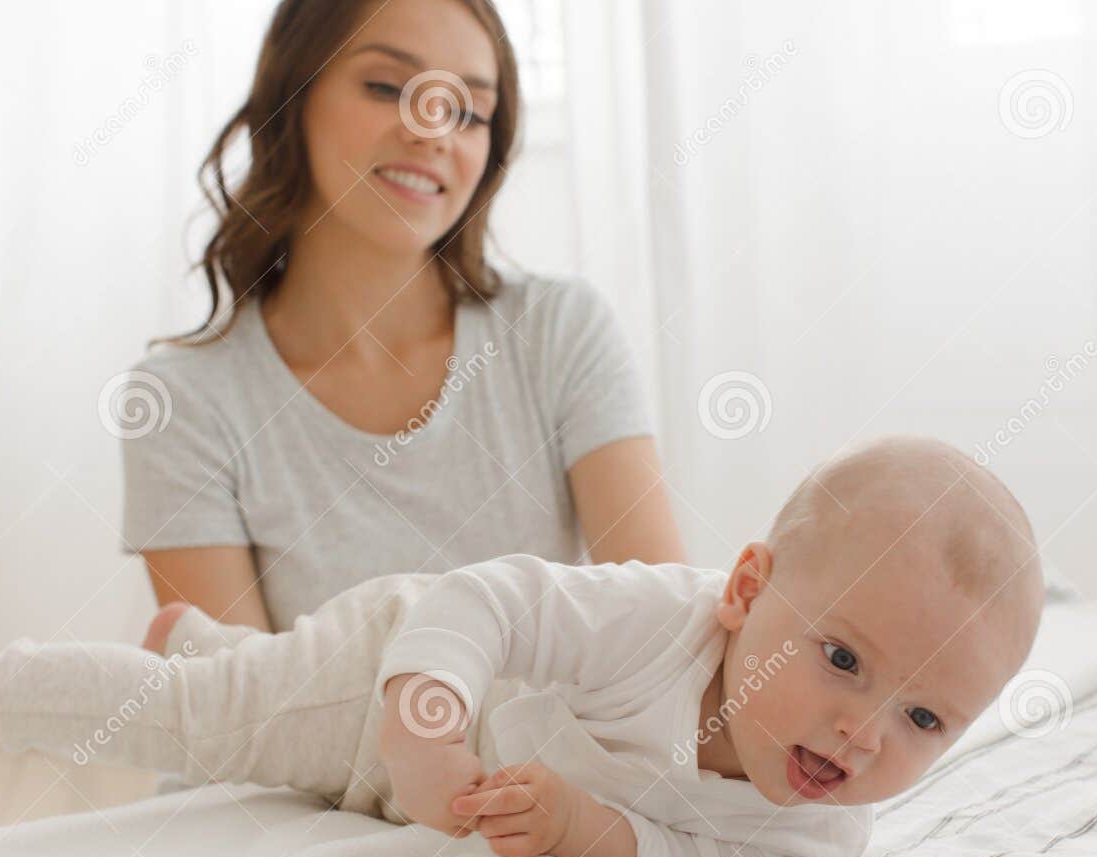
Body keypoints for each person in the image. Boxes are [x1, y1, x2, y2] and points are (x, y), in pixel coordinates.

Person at [0, 438, 1045, 857]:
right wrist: (427, 708)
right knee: (196, 724)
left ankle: (201, 639)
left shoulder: (829, 832)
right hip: (384, 688)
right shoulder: (654, 625)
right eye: (841, 657)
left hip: (437, 779)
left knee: (234, 684)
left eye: (927, 715)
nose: (864, 729)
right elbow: (489, 598)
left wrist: (579, 826)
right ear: (742, 590)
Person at [122, 0, 684, 650]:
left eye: (470, 110)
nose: (434, 131)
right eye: (387, 87)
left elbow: (662, 641)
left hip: (555, 757)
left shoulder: (559, 331)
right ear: (292, 95)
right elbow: (236, 724)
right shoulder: (181, 403)